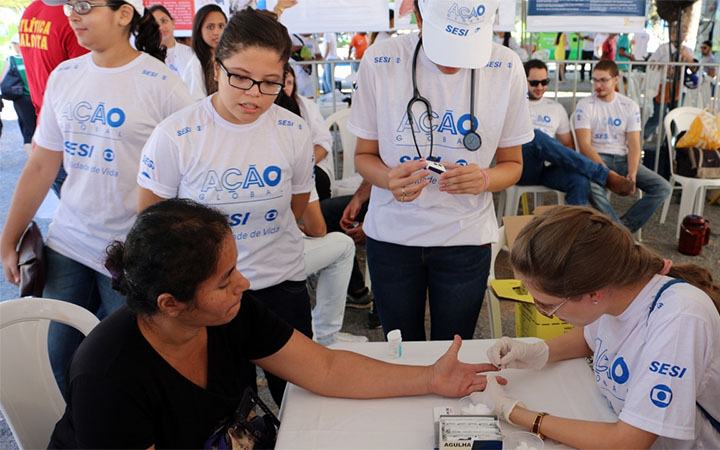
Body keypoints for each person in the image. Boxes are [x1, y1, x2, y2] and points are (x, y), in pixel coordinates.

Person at [47, 198, 499, 448]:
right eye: (224, 281)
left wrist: (430, 378)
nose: (243, 284)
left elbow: (324, 368)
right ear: (172, 304)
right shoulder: (108, 376)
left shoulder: (229, 313)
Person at [0, 0, 194, 397]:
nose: (73, 14)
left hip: (129, 255)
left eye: (85, 6)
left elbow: (189, 175)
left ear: (124, 14)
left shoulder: (163, 85)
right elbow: (41, 165)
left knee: (124, 369)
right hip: (67, 243)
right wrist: (8, 237)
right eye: (71, 5)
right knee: (55, 363)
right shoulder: (65, 75)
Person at [137, 8, 314, 406]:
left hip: (281, 284)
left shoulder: (293, 131)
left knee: (300, 400)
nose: (254, 94)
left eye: (270, 83)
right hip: (207, 296)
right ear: (217, 68)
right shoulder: (176, 134)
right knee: (222, 406)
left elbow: (296, 205)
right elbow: (150, 224)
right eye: (240, 78)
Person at [478, 205, 720, 448]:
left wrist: (516, 414)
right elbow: (593, 337)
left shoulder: (680, 319)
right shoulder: (617, 287)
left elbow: (627, 442)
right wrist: (535, 351)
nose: (544, 313)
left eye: (548, 306)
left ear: (594, 294)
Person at [349, 0, 531, 341]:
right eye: (445, 44)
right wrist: (387, 179)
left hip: (465, 239)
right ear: (418, 16)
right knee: (402, 349)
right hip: (392, 238)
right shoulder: (381, 60)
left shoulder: (505, 66)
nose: (454, 62)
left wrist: (485, 179)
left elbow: (514, 164)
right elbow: (364, 155)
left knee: (454, 347)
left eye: (466, 47)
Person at [517, 59, 633, 206]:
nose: (540, 87)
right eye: (534, 83)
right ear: (523, 80)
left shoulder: (556, 108)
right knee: (535, 136)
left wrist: (559, 159)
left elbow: (568, 145)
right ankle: (603, 174)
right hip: (521, 167)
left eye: (544, 82)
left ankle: (575, 226)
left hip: (547, 169)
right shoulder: (514, 105)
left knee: (579, 181)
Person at [575, 59, 670, 234]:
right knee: (590, 186)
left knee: (663, 187)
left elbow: (634, 144)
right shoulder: (585, 104)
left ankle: (622, 228)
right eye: (595, 80)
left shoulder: (629, 105)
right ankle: (619, 233)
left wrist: (632, 173)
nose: (598, 85)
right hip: (597, 157)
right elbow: (584, 146)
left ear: (616, 79)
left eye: (603, 80)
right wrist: (606, 173)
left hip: (622, 159)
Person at [18, 0, 90, 196]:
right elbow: (87, 80)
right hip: (75, 138)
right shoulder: (75, 17)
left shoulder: (31, 10)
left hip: (45, 128)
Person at [300, 187, 368, 346]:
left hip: (240, 257)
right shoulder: (293, 164)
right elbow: (317, 230)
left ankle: (357, 293)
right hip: (277, 257)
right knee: (344, 245)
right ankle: (326, 334)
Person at [274, 63, 333, 199]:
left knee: (320, 180)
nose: (284, 88)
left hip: (306, 165)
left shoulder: (306, 107)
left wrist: (303, 167)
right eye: (279, 82)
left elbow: (323, 142)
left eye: (289, 83)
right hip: (273, 168)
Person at [149, 4, 204, 100]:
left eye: (164, 21)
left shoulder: (191, 54)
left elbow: (198, 90)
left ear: (173, 22)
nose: (161, 27)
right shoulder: (147, 59)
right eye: (155, 25)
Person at [2, 34, 37, 157]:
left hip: (21, 100)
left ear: (17, 44)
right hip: (37, 97)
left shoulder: (11, 60)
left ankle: (33, 162)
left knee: (28, 131)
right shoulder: (34, 57)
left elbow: (2, 81)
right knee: (41, 129)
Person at [191, 4, 227, 96]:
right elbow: (196, 102)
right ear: (199, 30)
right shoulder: (196, 64)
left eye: (221, 26)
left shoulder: (231, 57)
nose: (217, 32)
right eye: (210, 27)